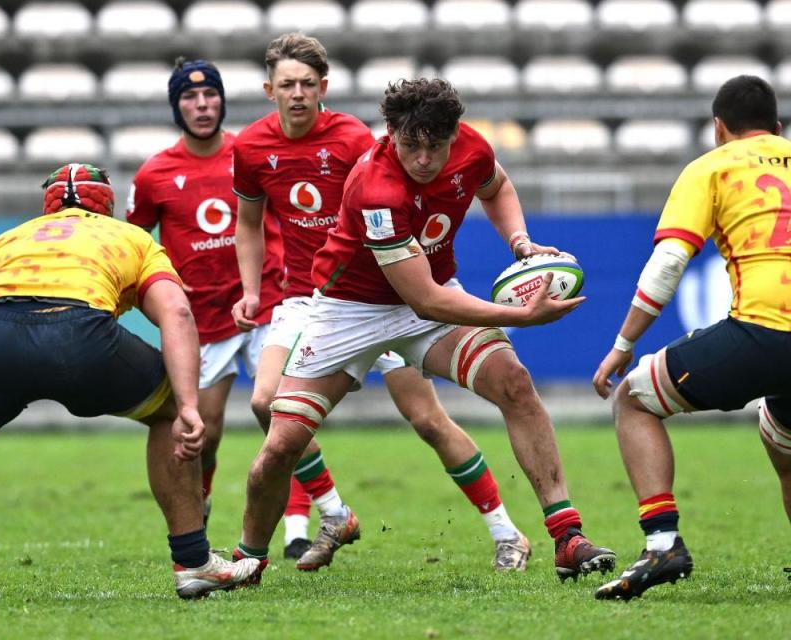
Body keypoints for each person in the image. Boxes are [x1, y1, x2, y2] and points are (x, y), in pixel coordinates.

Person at [0, 164, 259, 605]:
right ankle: (192, 562)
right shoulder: (132, 238)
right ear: (108, 206)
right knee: (168, 413)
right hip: (81, 336)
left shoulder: (2, 243)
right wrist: (188, 404)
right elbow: (177, 314)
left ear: (46, 207)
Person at [232, 35, 570, 577]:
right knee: (272, 421)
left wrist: (521, 244)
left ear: (324, 87)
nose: (424, 158)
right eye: (287, 84)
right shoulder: (271, 154)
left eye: (307, 84)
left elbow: (489, 192)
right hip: (338, 301)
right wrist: (521, 316)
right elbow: (250, 226)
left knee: (454, 408)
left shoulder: (358, 140)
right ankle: (293, 534)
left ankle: (538, 534)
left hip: (413, 289)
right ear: (269, 88)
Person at [592, 75, 791, 600]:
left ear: (719, 128)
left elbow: (669, 262)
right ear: (776, 128)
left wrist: (623, 342)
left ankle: (662, 544)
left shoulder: (711, 165)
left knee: (633, 399)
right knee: (782, 433)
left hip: (765, 330)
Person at [126, 58, 319, 558]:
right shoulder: (154, 175)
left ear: (223, 100)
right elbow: (134, 241)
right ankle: (201, 506)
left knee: (281, 415)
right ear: (177, 107)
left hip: (266, 306)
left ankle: (299, 526)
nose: (202, 104)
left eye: (210, 94)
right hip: (203, 321)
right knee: (202, 433)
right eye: (190, 97)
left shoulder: (251, 151)